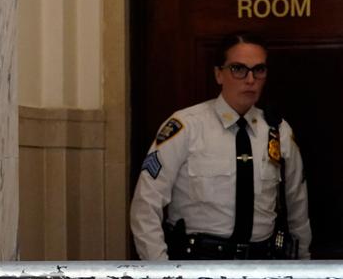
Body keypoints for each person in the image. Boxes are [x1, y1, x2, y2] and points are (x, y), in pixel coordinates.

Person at [130, 33, 311, 260]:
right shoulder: (186, 127)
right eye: (238, 69)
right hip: (197, 262)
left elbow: (297, 206)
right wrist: (161, 271)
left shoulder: (278, 130)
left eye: (259, 70)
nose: (250, 79)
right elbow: (146, 206)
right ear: (219, 74)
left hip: (262, 264)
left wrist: (303, 263)